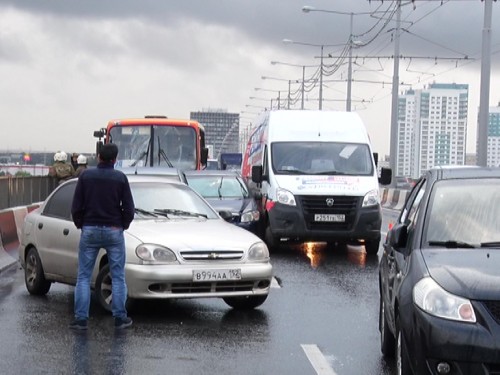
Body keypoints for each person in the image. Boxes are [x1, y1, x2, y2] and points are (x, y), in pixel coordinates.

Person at [70, 143, 135, 330]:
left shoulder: (86, 176)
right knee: (118, 276)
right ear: (115, 159)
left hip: (89, 229)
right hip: (114, 229)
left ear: (98, 157)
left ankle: (81, 319)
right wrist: (122, 225)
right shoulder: (120, 178)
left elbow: (76, 206)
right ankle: (120, 318)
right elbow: (129, 209)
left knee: (83, 276)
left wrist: (81, 223)